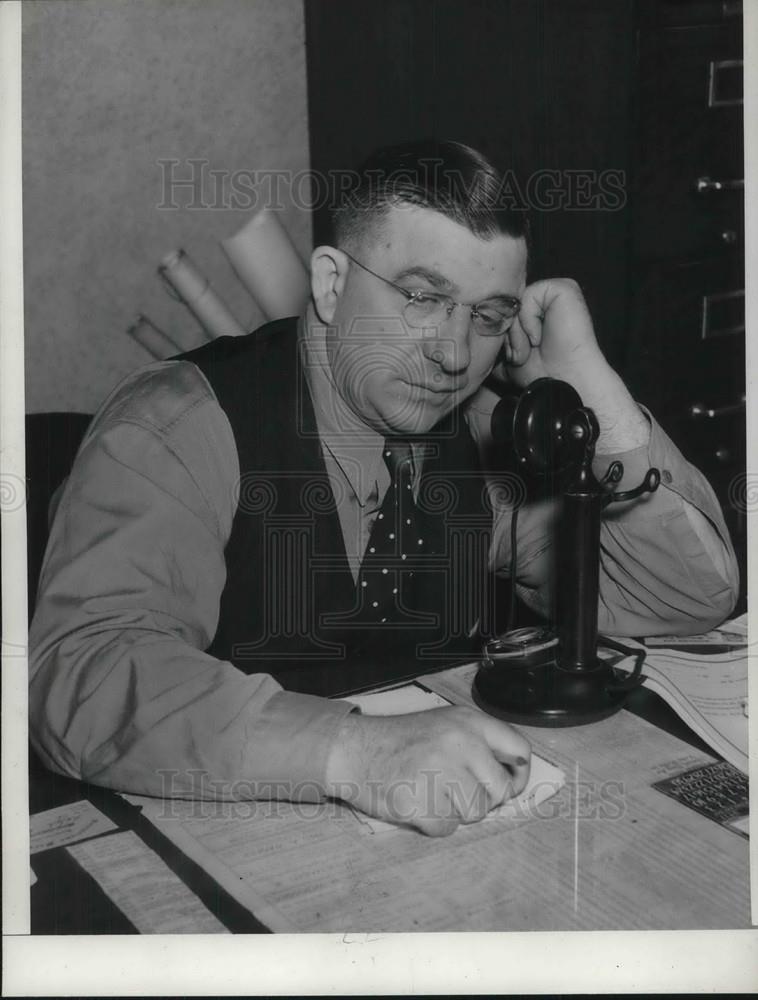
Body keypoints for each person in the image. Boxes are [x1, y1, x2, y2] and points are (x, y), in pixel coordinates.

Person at [29, 140, 738, 837]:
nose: (454, 353)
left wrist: (594, 392)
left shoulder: (480, 428)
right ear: (332, 283)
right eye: (423, 298)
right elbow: (79, 676)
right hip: (221, 840)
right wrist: (354, 751)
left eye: (488, 317)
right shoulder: (178, 426)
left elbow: (681, 600)